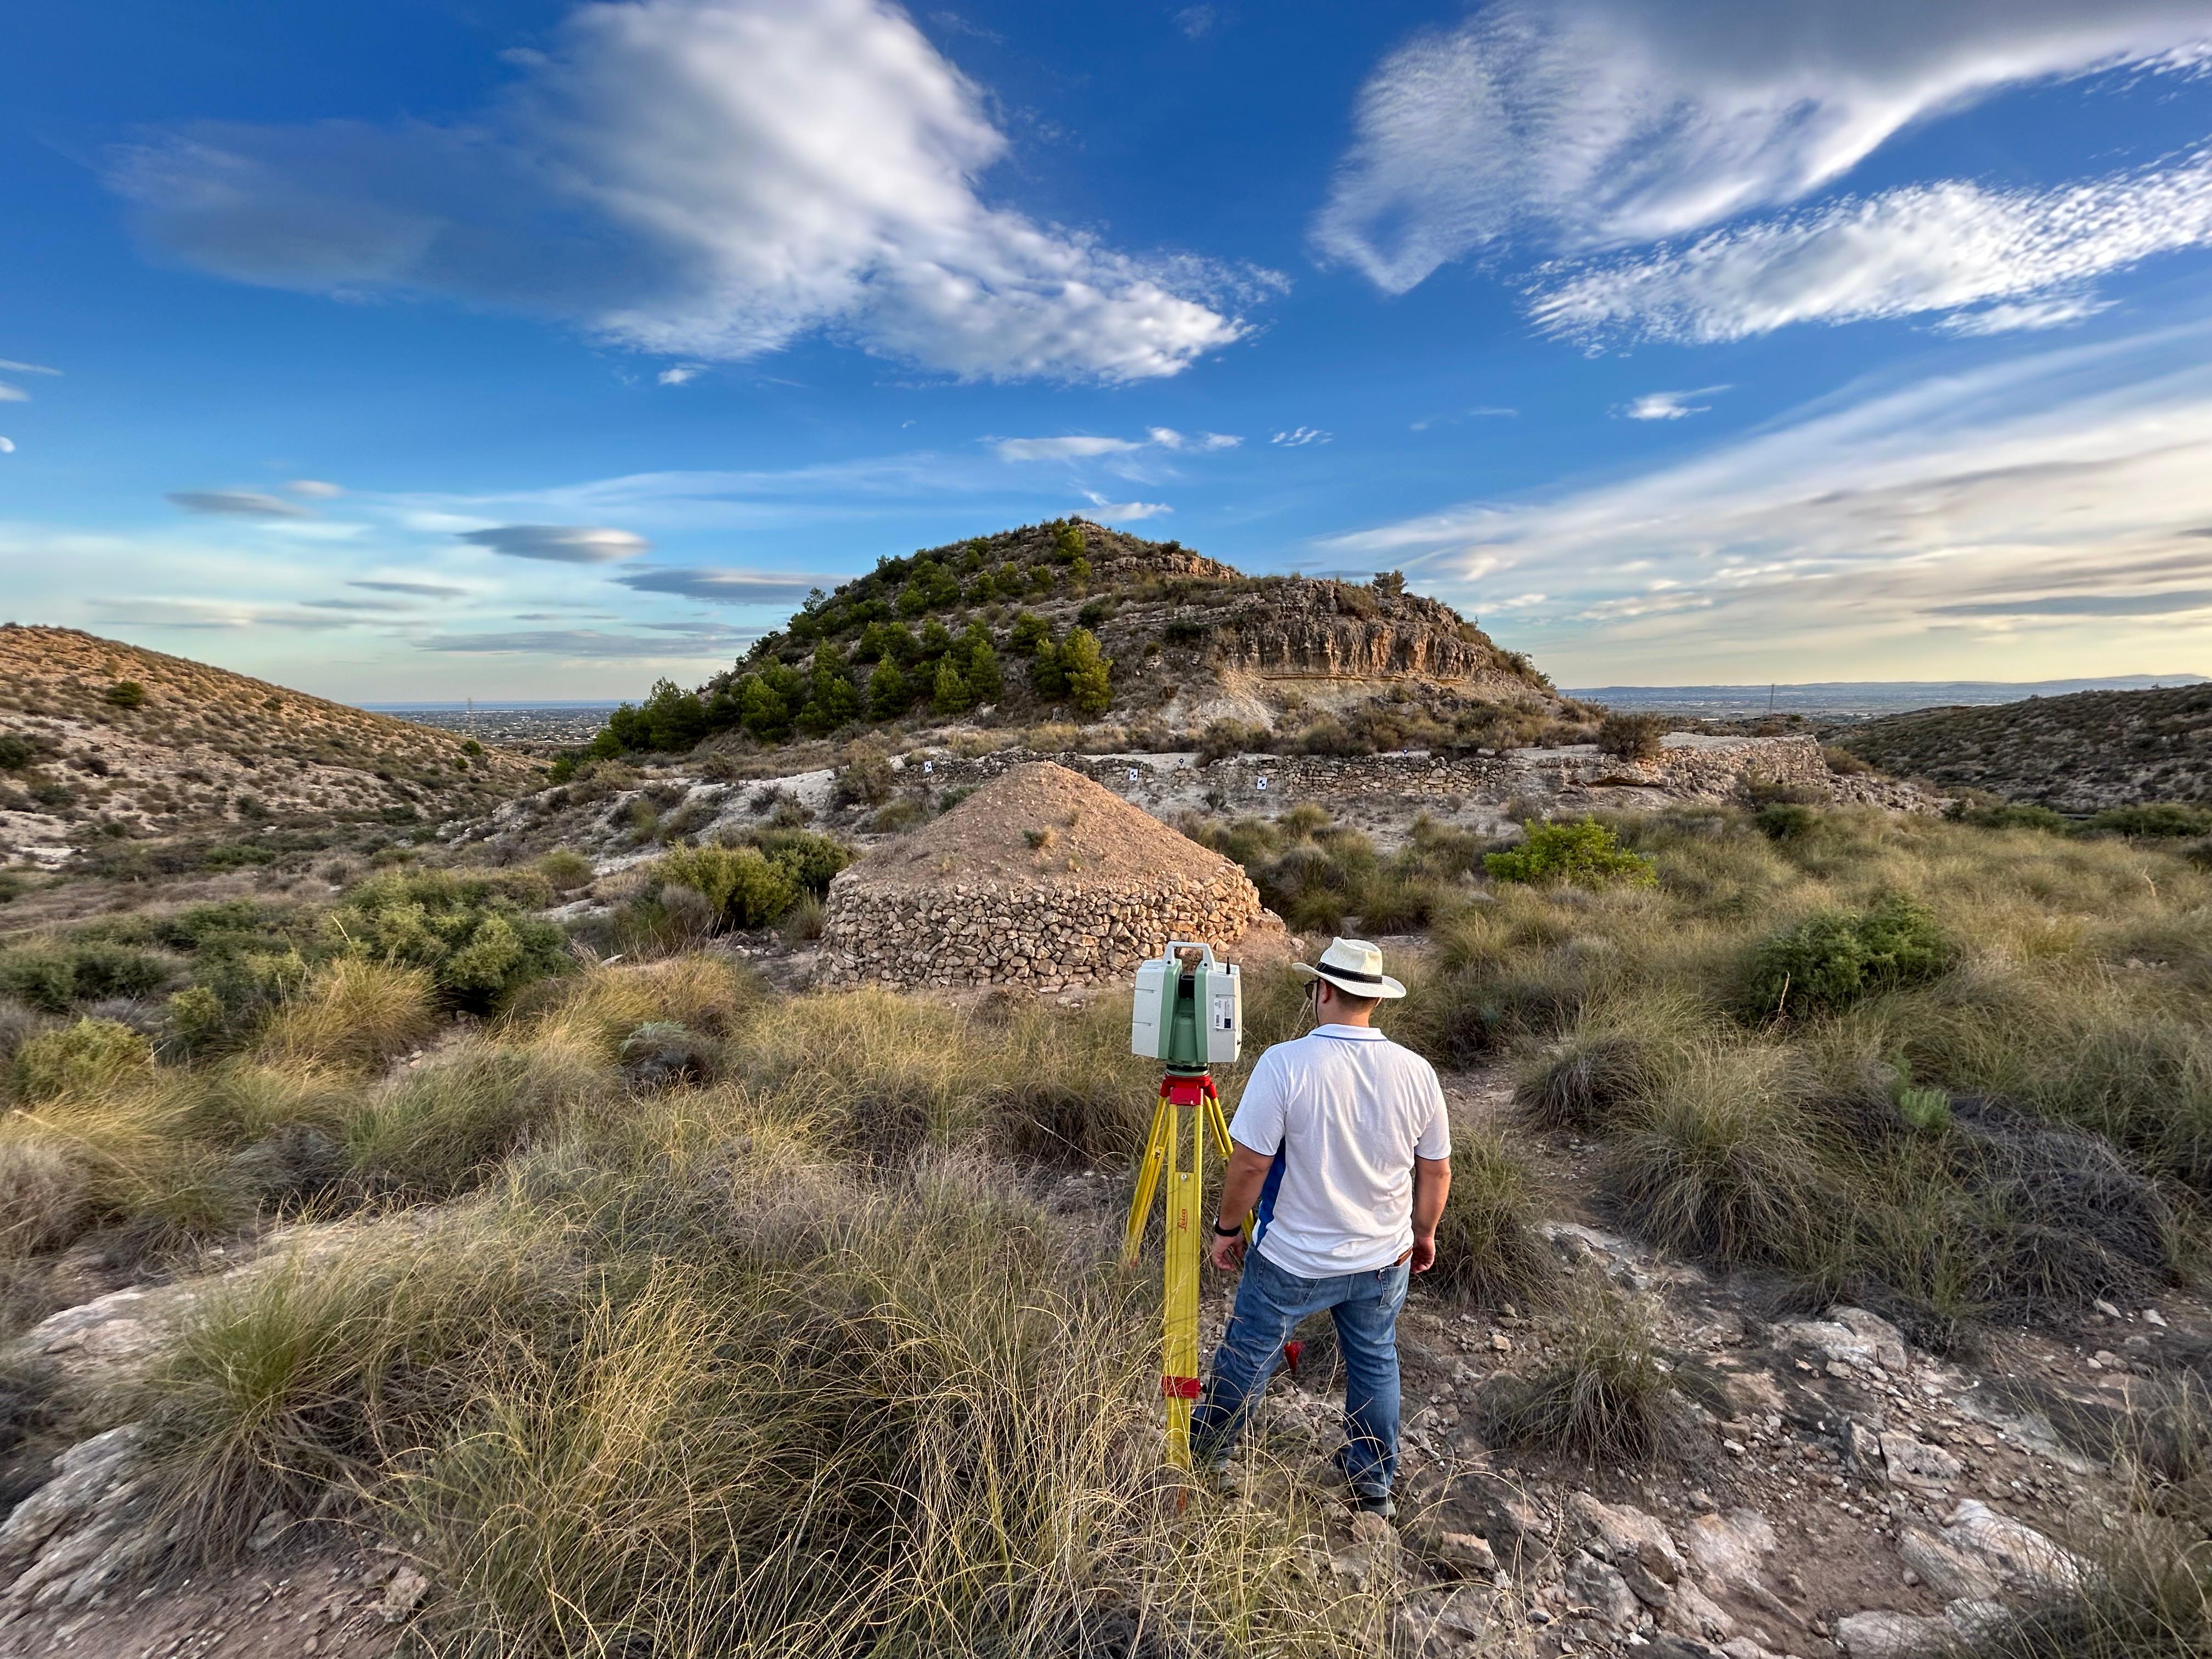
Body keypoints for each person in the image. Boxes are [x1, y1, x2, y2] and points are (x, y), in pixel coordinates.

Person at [1191, 937, 1451, 1519]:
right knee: (1375, 1358)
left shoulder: (1284, 1063)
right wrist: (1424, 1232)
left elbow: (1252, 1163)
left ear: (1325, 991)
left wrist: (1226, 1228)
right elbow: (1435, 1169)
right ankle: (1372, 1484)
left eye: (1315, 988)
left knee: (1248, 1354)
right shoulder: (1417, 1072)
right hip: (1385, 1259)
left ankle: (1209, 1457)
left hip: (1293, 1260)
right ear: (1374, 1000)